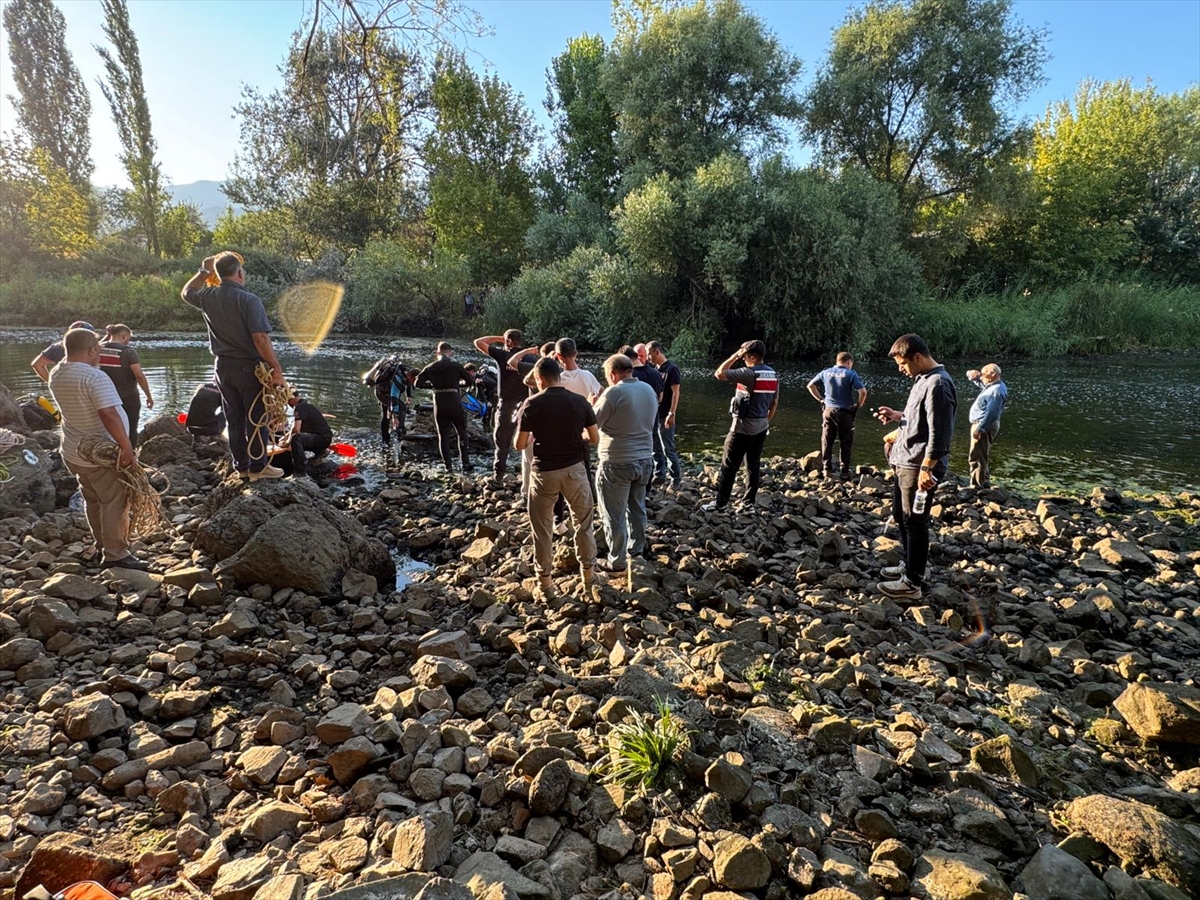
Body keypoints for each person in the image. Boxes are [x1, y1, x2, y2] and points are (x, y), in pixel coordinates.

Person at [47, 327, 149, 571]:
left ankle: (103, 544)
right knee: (115, 501)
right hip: (102, 454)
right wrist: (126, 448)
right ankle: (115, 554)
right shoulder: (95, 377)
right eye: (98, 349)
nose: (100, 353)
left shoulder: (57, 373)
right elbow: (108, 413)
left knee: (93, 500)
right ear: (91, 351)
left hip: (74, 451)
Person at [182, 252, 286, 481]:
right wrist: (276, 369)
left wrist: (203, 271)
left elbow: (186, 292)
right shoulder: (249, 300)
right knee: (256, 418)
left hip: (222, 367)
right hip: (249, 368)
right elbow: (260, 338)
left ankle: (241, 467)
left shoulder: (208, 295)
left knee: (234, 418)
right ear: (240, 273)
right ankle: (259, 467)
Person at [873, 333, 957, 601]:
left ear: (918, 357)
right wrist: (898, 416)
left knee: (915, 521)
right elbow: (918, 418)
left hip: (919, 464)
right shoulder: (922, 379)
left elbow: (940, 433)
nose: (901, 370)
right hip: (905, 460)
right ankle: (909, 564)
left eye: (903, 364)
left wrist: (927, 469)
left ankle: (912, 583)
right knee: (901, 515)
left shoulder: (939, 384)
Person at [515, 357, 600, 601]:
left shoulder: (532, 403)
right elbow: (593, 439)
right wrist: (578, 435)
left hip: (544, 473)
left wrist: (531, 439)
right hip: (575, 469)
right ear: (559, 376)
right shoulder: (580, 402)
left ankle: (546, 586)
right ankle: (588, 578)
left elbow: (520, 444)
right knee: (583, 523)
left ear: (540, 379)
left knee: (541, 529)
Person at [593, 354, 659, 575]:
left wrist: (593, 403)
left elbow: (592, 425)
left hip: (617, 461)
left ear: (612, 374)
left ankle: (617, 560)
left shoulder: (614, 392)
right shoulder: (649, 389)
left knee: (613, 513)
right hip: (645, 459)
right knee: (637, 507)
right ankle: (637, 550)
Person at [703, 340, 779, 512]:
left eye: (744, 357)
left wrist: (734, 356)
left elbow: (719, 374)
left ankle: (720, 504)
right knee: (753, 466)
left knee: (728, 467)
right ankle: (748, 504)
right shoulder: (772, 374)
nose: (743, 359)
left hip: (741, 428)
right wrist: (766, 422)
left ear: (752, 357)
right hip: (761, 427)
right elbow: (774, 403)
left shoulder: (748, 373)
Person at [474, 329, 530, 481]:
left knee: (502, 441)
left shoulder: (503, 355)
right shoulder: (530, 358)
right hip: (527, 405)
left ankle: (498, 476)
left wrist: (499, 339)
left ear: (509, 342)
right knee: (528, 440)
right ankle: (528, 474)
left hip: (507, 405)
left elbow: (478, 342)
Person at [807, 351, 867, 481]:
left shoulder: (825, 372)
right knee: (846, 441)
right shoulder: (851, 374)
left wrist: (821, 399)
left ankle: (826, 469)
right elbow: (862, 392)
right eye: (851, 364)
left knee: (827, 440)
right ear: (849, 362)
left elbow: (810, 385)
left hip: (828, 410)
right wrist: (858, 405)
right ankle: (844, 471)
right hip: (844, 412)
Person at [416, 342, 473, 474]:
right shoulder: (457, 366)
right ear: (450, 353)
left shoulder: (430, 367)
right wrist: (458, 385)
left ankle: (448, 466)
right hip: (454, 400)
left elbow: (417, 383)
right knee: (461, 431)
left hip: (440, 401)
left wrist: (433, 386)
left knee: (443, 435)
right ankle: (465, 463)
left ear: (437, 353)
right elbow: (470, 381)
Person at [99, 324, 154, 448]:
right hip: (128, 396)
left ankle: (108, 452)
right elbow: (139, 376)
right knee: (130, 427)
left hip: (104, 396)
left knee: (106, 427)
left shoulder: (97, 349)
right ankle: (131, 455)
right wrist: (149, 396)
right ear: (124, 336)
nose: (129, 341)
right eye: (128, 338)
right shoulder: (128, 352)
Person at [966, 363, 1008, 489]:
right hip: (983, 424)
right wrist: (971, 374)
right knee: (981, 454)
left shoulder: (996, 391)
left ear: (993, 374)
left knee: (977, 455)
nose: (981, 376)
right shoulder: (992, 385)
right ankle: (983, 482)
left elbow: (992, 413)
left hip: (984, 424)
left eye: (983, 374)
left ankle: (977, 486)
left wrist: (980, 429)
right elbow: (978, 381)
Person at [647, 341, 682, 486]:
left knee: (668, 447)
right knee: (655, 447)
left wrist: (672, 413)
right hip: (655, 414)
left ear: (657, 352)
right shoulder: (655, 369)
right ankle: (659, 474)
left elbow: (676, 392)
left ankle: (675, 479)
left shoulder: (671, 369)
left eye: (649, 353)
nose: (648, 357)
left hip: (665, 413)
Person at [364, 354, 414, 444]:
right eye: (414, 380)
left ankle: (388, 436)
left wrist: (409, 396)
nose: (414, 383)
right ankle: (397, 432)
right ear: (410, 376)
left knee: (390, 411)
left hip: (386, 389)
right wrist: (395, 416)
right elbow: (393, 397)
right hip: (381, 392)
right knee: (401, 407)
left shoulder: (407, 372)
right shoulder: (398, 379)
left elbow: (409, 384)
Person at [287, 391, 333, 478]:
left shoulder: (299, 407)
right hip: (325, 438)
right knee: (298, 437)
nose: (288, 404)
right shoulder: (306, 405)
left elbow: (296, 430)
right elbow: (295, 426)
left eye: (287, 401)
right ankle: (320, 451)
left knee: (296, 439)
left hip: (321, 438)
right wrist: (286, 438)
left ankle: (300, 470)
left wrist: (288, 440)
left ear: (291, 398)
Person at [30, 321, 95, 382]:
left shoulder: (55, 348)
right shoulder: (93, 349)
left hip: (63, 387)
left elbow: (37, 364)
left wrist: (52, 383)